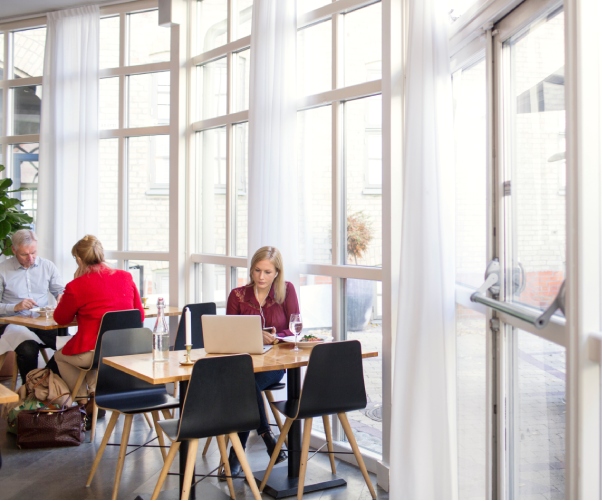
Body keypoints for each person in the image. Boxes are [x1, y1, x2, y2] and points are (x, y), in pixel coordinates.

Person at [221, 245, 300, 478]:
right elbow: (229, 333)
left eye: (267, 272)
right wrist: (255, 335)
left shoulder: (287, 291)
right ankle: (267, 436)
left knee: (246, 386)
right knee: (245, 383)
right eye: (257, 271)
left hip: (274, 364)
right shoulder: (237, 295)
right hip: (241, 364)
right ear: (251, 270)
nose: (261, 277)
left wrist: (277, 336)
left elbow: (296, 327)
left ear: (277, 273)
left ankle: (237, 453)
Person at [53, 235, 144, 415]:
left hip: (94, 353)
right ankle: (95, 396)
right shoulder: (126, 277)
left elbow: (61, 318)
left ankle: (83, 401)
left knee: (61, 356)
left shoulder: (76, 286)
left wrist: (67, 298)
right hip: (127, 349)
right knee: (92, 354)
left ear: (79, 259)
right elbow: (139, 315)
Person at [0, 229, 65, 384]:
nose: (30, 258)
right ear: (14, 250)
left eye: (33, 252)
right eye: (24, 254)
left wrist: (61, 297)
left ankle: (42, 383)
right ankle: (29, 392)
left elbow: (60, 291)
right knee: (28, 349)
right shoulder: (2, 270)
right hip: (12, 323)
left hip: (41, 322)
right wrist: (15, 307)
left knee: (68, 345)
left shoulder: (47, 266)